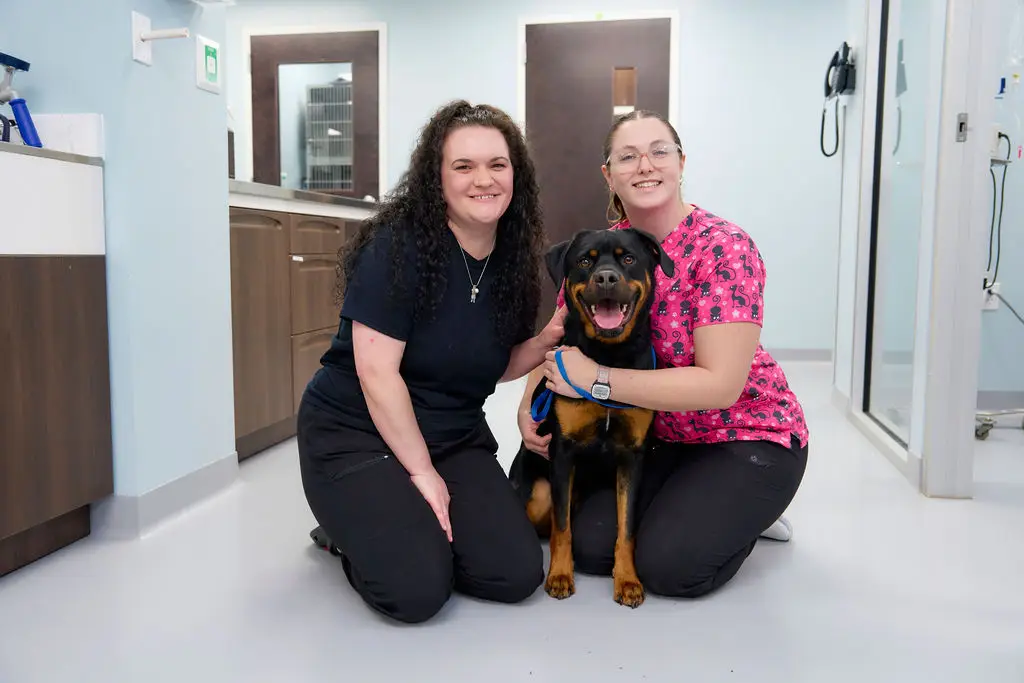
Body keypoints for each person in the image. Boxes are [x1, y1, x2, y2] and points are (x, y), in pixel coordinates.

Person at [515, 109, 809, 599]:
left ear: (680, 162)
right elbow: (562, 338)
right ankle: (695, 506)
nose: (645, 165)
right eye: (627, 156)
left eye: (659, 151)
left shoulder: (723, 248)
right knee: (590, 551)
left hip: (743, 434)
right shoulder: (606, 253)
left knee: (673, 570)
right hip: (664, 439)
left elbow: (720, 386)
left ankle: (751, 513)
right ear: (609, 174)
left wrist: (596, 380)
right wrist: (530, 404)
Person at [298, 100, 565, 624]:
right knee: (417, 591)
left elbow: (490, 363)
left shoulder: (512, 260)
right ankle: (344, 534)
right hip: (357, 431)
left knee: (515, 575)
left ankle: (399, 528)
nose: (482, 180)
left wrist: (544, 342)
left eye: (497, 164)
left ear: (517, 174)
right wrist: (422, 474)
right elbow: (376, 373)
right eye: (463, 166)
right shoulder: (398, 247)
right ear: (436, 177)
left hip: (451, 435)